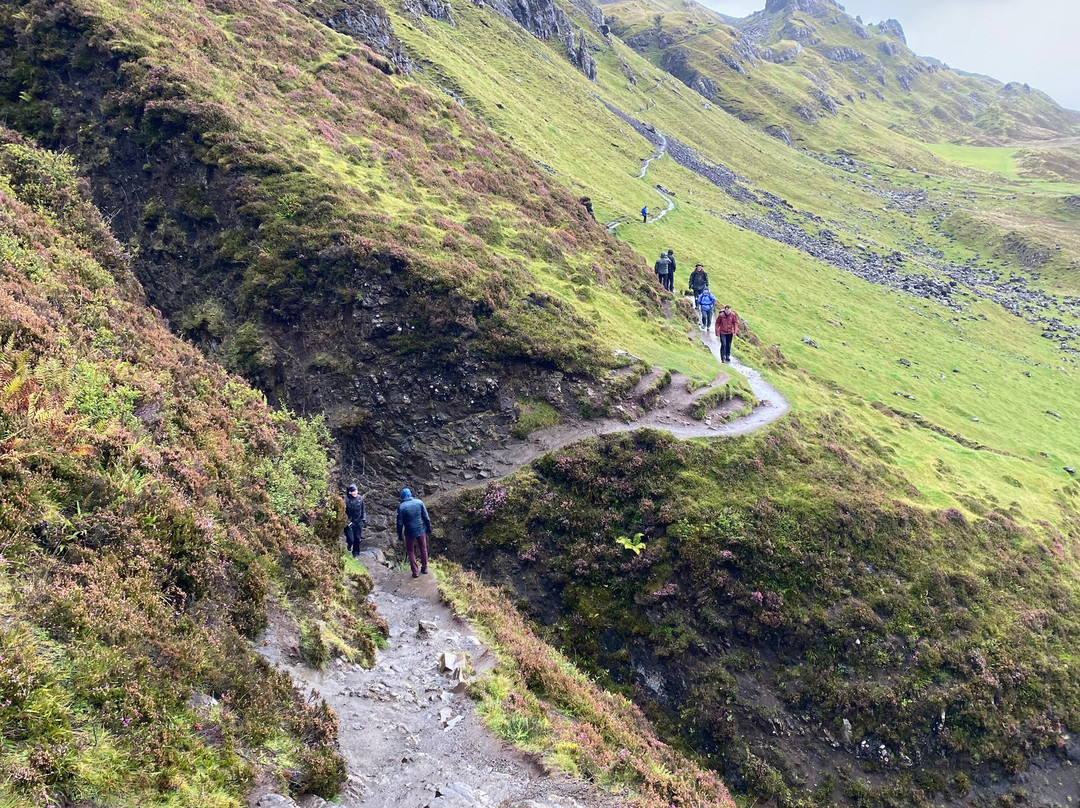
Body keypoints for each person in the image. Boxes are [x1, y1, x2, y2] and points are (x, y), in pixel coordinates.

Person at [397, 488, 432, 578]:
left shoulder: (401, 507)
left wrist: (399, 535)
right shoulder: (419, 502)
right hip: (420, 529)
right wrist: (429, 528)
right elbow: (426, 517)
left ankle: (415, 572)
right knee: (423, 548)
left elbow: (400, 523)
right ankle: (424, 568)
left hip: (409, 532)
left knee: (410, 550)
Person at [344, 484, 366, 558]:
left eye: (356, 491)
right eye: (353, 491)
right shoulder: (346, 499)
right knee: (351, 539)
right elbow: (343, 512)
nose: (355, 493)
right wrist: (347, 521)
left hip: (358, 521)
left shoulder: (360, 498)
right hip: (349, 522)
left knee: (358, 538)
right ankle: (349, 545)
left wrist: (364, 518)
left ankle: (356, 553)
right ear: (350, 492)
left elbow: (363, 510)